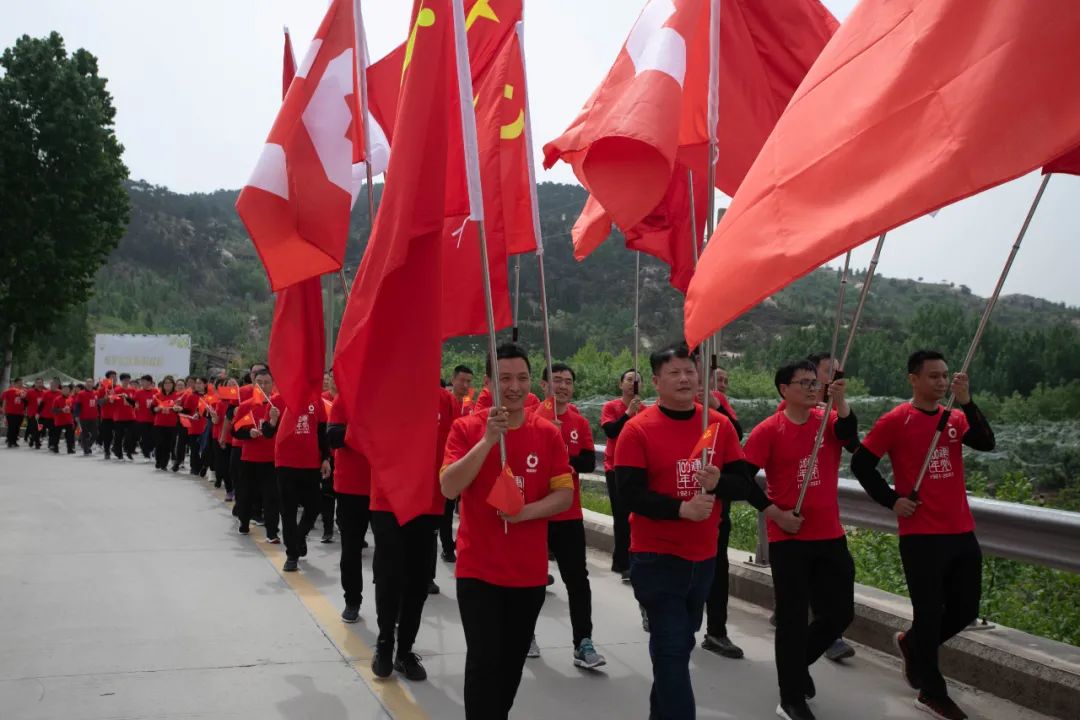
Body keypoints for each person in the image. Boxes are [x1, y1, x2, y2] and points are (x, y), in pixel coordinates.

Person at [615, 342, 797, 720]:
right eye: (674, 373)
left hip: (703, 558)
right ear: (656, 381)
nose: (684, 379)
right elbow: (629, 493)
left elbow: (743, 484)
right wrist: (680, 509)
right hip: (655, 556)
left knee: (679, 644)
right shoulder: (637, 430)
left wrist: (717, 483)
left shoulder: (718, 425)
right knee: (671, 648)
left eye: (690, 371)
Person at [852, 350, 995, 720]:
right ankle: (932, 692)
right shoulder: (896, 420)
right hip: (921, 534)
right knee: (929, 613)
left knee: (965, 609)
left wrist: (968, 401)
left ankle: (912, 643)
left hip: (961, 530)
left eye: (945, 375)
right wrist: (892, 500)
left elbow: (986, 442)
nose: (941, 382)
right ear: (913, 379)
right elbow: (861, 464)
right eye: (933, 376)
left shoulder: (955, 418)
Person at [441, 343, 573, 719]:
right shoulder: (466, 428)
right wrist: (487, 440)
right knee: (483, 662)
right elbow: (449, 487)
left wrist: (524, 513)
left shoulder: (546, 433)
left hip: (527, 573)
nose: (514, 387)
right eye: (505, 379)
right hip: (478, 570)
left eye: (522, 378)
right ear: (488, 383)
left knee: (511, 664)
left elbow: (564, 495)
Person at [741, 360, 858, 720]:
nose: (812, 388)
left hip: (830, 535)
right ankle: (790, 697)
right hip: (789, 538)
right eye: (804, 383)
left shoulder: (828, 421)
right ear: (784, 389)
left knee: (841, 612)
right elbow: (742, 479)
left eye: (814, 382)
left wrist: (841, 403)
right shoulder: (768, 430)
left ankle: (795, 664)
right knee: (792, 618)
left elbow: (852, 440)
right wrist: (775, 513)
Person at [361, 384, 452, 682]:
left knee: (418, 580)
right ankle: (385, 642)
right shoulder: (384, 393)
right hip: (388, 499)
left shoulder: (445, 400)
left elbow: (457, 443)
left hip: (428, 501)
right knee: (389, 576)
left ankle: (405, 651)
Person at [527, 362, 606, 669]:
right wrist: (546, 433)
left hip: (567, 512)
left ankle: (583, 642)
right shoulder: (529, 418)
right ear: (543, 385)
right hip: (535, 512)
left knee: (577, 579)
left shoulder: (578, 422)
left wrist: (561, 448)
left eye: (567, 381)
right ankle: (525, 634)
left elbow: (587, 461)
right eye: (556, 380)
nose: (562, 386)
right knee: (532, 579)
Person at [805, 351, 859, 664]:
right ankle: (824, 640)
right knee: (815, 579)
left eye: (839, 372)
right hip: (795, 515)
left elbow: (852, 442)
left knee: (836, 578)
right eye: (830, 371)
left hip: (826, 514)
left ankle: (823, 633)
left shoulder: (835, 414)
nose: (836, 377)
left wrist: (839, 404)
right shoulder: (795, 411)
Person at [263, 394, 329, 572]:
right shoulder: (278, 399)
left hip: (310, 463)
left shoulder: (316, 400)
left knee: (314, 506)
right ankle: (292, 554)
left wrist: (325, 458)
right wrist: (272, 421)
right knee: (288, 511)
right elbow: (267, 432)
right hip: (286, 463)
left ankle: (299, 536)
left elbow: (322, 431)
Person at [327, 394, 372, 624]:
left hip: (385, 486)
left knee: (390, 551)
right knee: (351, 548)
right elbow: (334, 436)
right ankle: (352, 600)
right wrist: (366, 430)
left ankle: (391, 606)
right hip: (351, 487)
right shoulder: (344, 400)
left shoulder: (391, 397)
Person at [600, 369, 644, 580]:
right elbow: (611, 431)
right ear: (621, 384)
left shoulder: (645, 410)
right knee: (621, 515)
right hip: (615, 467)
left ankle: (625, 560)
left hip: (637, 467)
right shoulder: (611, 407)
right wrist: (628, 413)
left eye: (637, 381)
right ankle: (623, 563)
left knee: (636, 516)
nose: (633, 383)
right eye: (629, 379)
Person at [231, 369, 280, 543]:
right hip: (249, 458)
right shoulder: (246, 406)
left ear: (273, 384)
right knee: (246, 494)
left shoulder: (277, 406)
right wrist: (248, 433)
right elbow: (235, 431)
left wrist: (273, 422)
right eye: (259, 382)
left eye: (267, 382)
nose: (263, 386)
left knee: (271, 497)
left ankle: (272, 532)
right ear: (253, 383)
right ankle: (244, 523)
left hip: (271, 459)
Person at [439, 364, 476, 562]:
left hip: (468, 463)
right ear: (453, 380)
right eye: (462, 380)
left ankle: (465, 543)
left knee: (467, 507)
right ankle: (447, 547)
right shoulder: (445, 401)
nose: (465, 385)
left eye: (469, 381)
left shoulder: (471, 405)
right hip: (449, 463)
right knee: (446, 508)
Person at [152, 376, 182, 471]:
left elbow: (180, 409)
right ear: (163, 385)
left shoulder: (177, 396)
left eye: (170, 383)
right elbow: (152, 409)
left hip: (172, 424)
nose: (167, 385)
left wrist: (176, 408)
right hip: (159, 423)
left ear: (173, 385)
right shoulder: (158, 395)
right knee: (159, 443)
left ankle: (164, 463)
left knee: (168, 445)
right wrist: (158, 408)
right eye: (166, 383)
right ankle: (158, 461)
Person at [111, 373, 138, 461]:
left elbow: (135, 403)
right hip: (119, 417)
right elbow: (112, 402)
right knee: (118, 436)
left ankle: (129, 452)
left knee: (130, 436)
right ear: (121, 380)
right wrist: (112, 398)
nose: (126, 381)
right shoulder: (116, 390)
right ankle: (118, 453)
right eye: (125, 380)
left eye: (128, 380)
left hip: (131, 416)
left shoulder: (132, 390)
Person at [74, 379, 100, 455]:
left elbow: (99, 403)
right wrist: (76, 415)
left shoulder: (96, 393)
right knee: (84, 433)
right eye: (88, 382)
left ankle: (87, 446)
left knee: (95, 434)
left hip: (94, 417)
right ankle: (86, 449)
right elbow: (77, 405)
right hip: (84, 417)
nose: (89, 383)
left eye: (91, 382)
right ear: (85, 384)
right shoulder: (81, 394)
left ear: (93, 384)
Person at [134, 375, 157, 460]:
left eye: (144, 381)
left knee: (153, 437)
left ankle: (151, 450)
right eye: (141, 381)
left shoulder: (156, 392)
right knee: (145, 437)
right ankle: (146, 454)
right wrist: (135, 405)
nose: (142, 383)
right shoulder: (138, 392)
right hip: (142, 419)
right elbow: (133, 402)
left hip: (154, 419)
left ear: (150, 382)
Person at [97, 371, 118, 458]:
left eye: (115, 377)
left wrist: (115, 397)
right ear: (108, 379)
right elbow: (99, 403)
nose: (114, 378)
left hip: (118, 416)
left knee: (119, 435)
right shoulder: (102, 389)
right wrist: (105, 399)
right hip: (107, 416)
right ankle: (107, 451)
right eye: (112, 377)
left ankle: (115, 448)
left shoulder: (119, 388)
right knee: (107, 436)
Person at [51, 384, 76, 454]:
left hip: (69, 420)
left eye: (67, 390)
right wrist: (62, 410)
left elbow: (73, 409)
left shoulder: (71, 399)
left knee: (70, 435)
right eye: (64, 390)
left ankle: (70, 449)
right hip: (59, 420)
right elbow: (53, 410)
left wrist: (72, 412)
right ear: (61, 391)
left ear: (69, 391)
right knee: (57, 435)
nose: (66, 391)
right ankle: (55, 447)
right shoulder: (57, 399)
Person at [2, 377, 27, 448]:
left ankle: (14, 441)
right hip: (11, 412)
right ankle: (10, 441)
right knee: (11, 427)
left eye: (21, 383)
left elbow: (26, 402)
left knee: (17, 427)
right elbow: (4, 401)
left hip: (20, 413)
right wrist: (3, 410)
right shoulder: (8, 391)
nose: (21, 384)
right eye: (19, 383)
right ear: (15, 383)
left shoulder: (24, 391)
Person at [24, 378, 44, 449]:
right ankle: (37, 443)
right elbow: (25, 403)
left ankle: (33, 439)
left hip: (41, 415)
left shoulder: (45, 393)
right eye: (37, 383)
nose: (39, 384)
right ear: (35, 384)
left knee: (39, 429)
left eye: (40, 382)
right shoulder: (30, 392)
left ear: (42, 383)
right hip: (32, 414)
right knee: (34, 428)